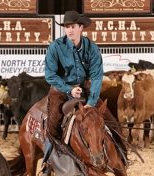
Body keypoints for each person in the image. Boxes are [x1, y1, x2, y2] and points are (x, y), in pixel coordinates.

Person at [42, 10, 104, 174]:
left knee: (102, 117)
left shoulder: (91, 48)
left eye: (73, 26)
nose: (69, 30)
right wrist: (69, 88)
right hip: (60, 90)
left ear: (81, 27)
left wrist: (91, 102)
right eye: (67, 27)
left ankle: (118, 151)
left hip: (85, 89)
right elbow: (50, 75)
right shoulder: (56, 47)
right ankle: (48, 162)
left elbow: (97, 76)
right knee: (53, 124)